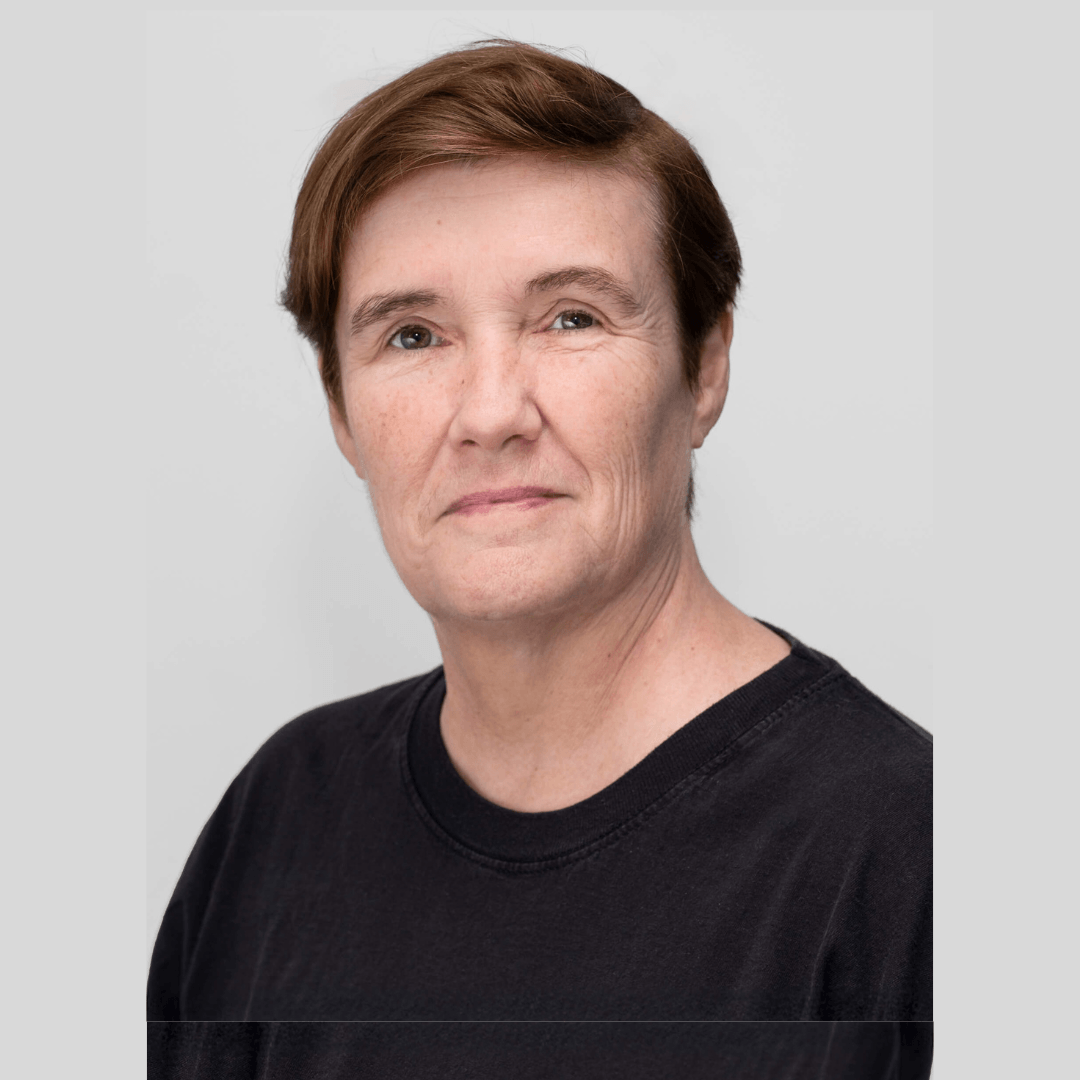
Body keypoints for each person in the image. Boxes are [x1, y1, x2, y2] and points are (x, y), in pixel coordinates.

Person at [148, 39, 930, 1045]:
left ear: (705, 368)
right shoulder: (278, 821)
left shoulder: (905, 865)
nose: (489, 413)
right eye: (412, 336)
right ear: (341, 413)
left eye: (570, 318)